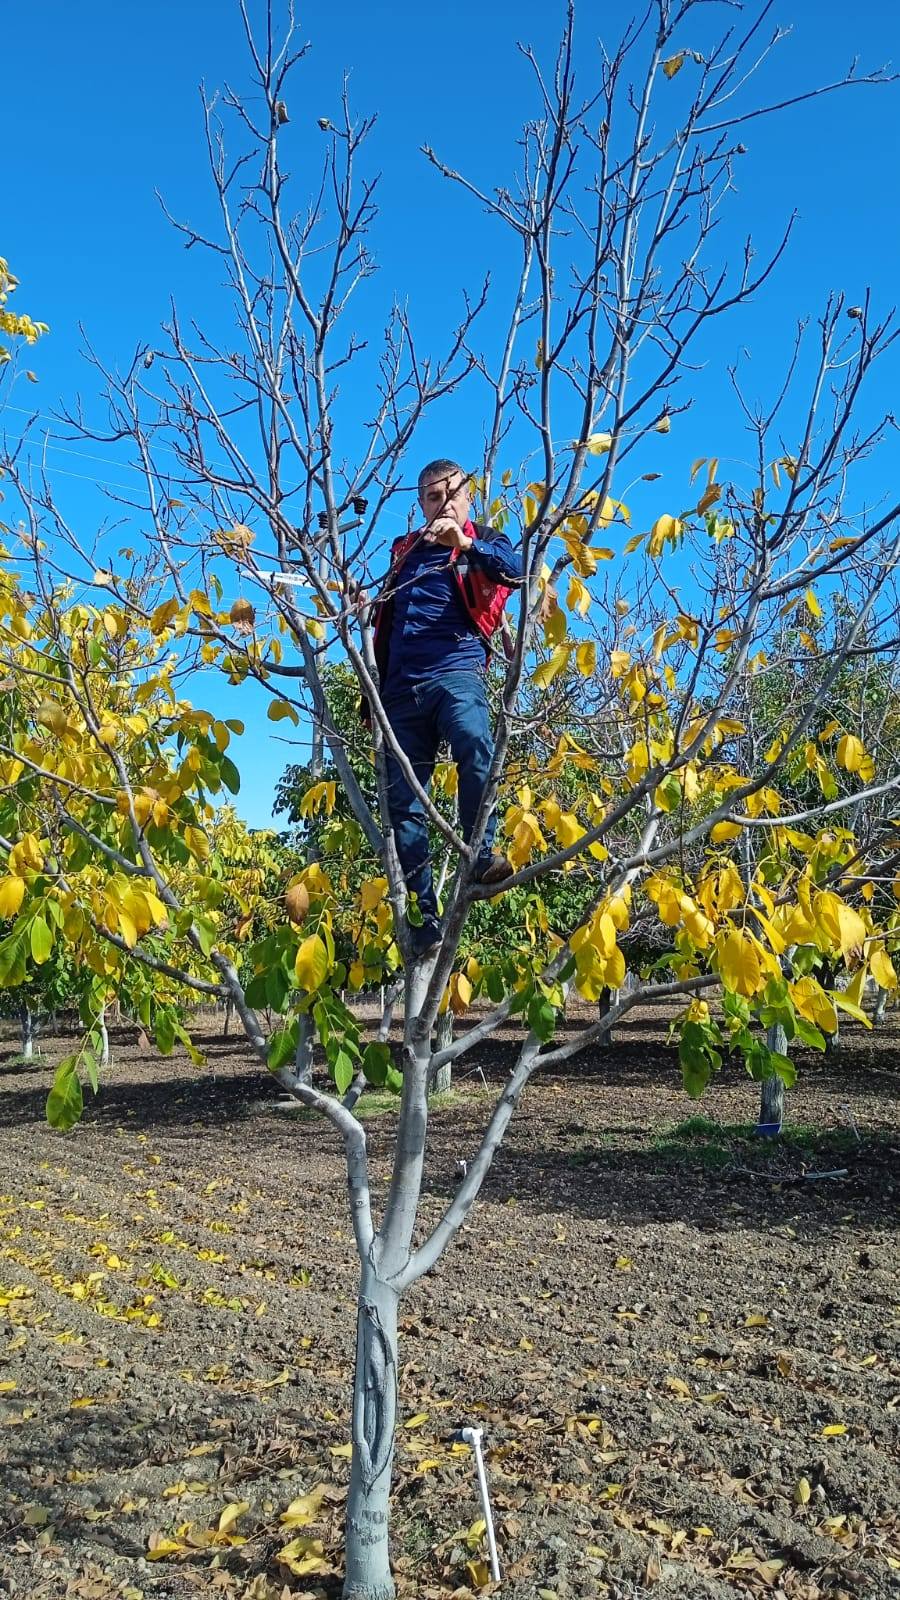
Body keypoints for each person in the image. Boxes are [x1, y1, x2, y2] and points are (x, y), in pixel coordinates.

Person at [371, 458, 523, 956]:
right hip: (399, 689)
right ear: (421, 505)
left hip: (456, 672)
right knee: (402, 807)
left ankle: (482, 851)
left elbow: (515, 572)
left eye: (451, 494)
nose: (443, 505)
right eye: (432, 498)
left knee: (474, 743)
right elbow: (386, 617)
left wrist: (465, 545)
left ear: (468, 496)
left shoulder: (487, 539)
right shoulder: (405, 551)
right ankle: (424, 915)